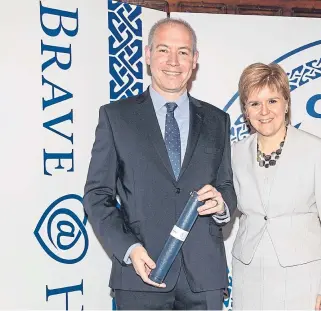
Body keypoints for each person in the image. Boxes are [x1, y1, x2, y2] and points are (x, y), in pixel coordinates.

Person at [83, 18, 236, 310]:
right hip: (141, 276)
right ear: (147, 54)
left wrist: (222, 204)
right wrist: (129, 249)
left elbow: (225, 185)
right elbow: (96, 196)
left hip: (204, 280)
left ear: (195, 60)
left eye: (183, 52)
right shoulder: (116, 118)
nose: (173, 61)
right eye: (164, 50)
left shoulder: (218, 121)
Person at [231, 62, 321, 310]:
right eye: (254, 103)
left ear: (286, 104)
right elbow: (228, 207)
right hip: (249, 274)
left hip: (303, 277)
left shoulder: (315, 149)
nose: (264, 111)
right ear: (245, 111)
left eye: (272, 101)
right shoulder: (235, 152)